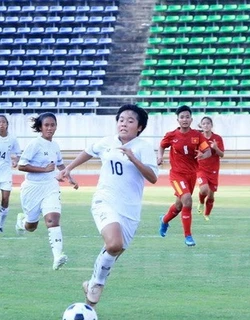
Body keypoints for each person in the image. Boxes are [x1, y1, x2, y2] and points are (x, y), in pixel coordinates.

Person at [57, 104, 158, 308]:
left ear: (139, 127)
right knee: (113, 244)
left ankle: (91, 295)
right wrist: (68, 169)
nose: (124, 123)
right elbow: (88, 151)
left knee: (115, 249)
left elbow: (153, 177)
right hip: (105, 201)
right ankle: (97, 284)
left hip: (130, 210)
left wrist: (133, 158)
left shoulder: (143, 147)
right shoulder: (106, 142)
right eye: (121, 119)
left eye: (130, 121)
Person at [15, 112, 77, 270]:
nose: (50, 128)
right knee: (31, 227)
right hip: (32, 189)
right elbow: (21, 165)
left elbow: (60, 165)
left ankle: (58, 256)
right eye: (46, 125)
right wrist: (43, 169)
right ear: (40, 128)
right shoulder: (34, 144)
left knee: (52, 220)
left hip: (51, 186)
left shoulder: (55, 146)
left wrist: (69, 177)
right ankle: (22, 222)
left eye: (53, 125)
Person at [157, 105, 211, 246]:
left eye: (187, 117)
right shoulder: (172, 135)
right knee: (187, 199)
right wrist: (160, 157)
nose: (185, 119)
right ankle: (188, 236)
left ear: (191, 119)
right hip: (177, 175)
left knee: (179, 205)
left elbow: (208, 152)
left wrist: (202, 154)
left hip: (191, 175)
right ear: (178, 120)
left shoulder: (197, 136)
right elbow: (162, 145)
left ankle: (164, 220)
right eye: (182, 117)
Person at [196, 116, 225, 221]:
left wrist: (216, 148)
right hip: (201, 168)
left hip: (213, 170)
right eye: (204, 123)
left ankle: (207, 214)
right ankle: (201, 202)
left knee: (211, 195)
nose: (206, 125)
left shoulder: (217, 138)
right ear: (201, 125)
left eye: (208, 123)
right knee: (204, 190)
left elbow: (222, 154)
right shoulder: (198, 137)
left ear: (211, 125)